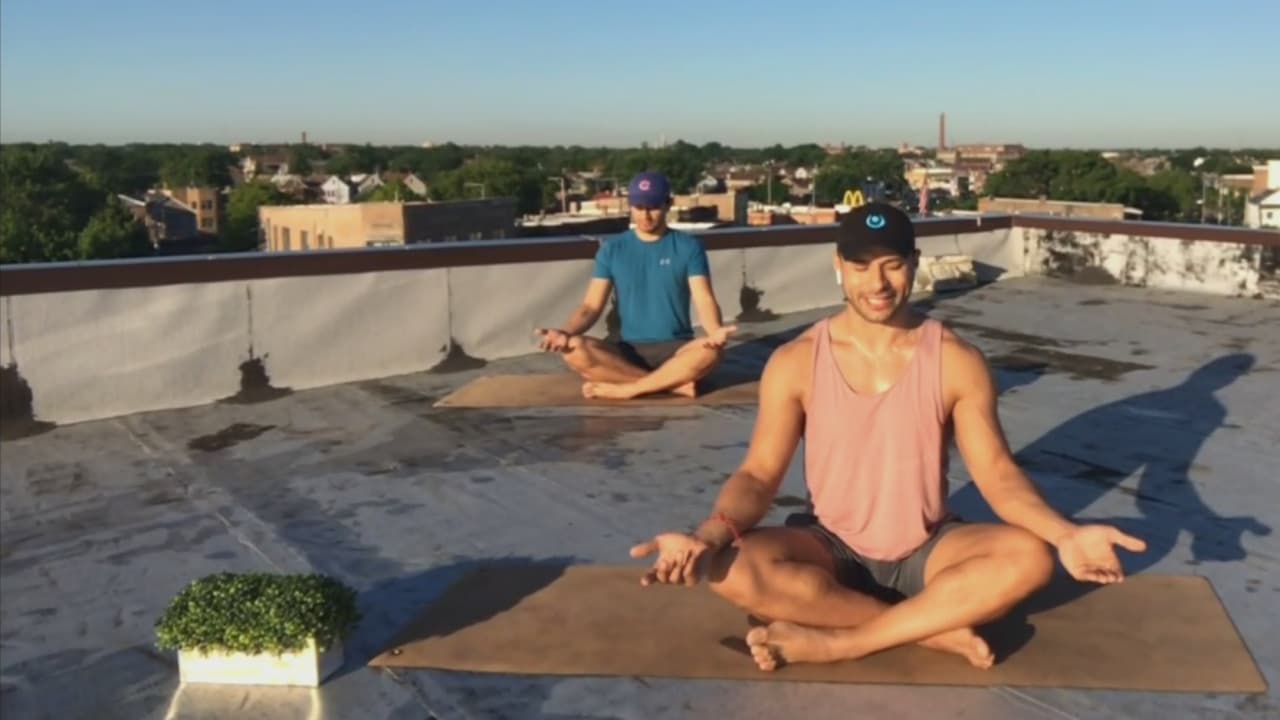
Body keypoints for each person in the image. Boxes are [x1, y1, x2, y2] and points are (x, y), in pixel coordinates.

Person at [629, 202, 1148, 671]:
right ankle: (930, 629)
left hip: (928, 547)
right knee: (730, 569)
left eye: (892, 265)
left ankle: (843, 640)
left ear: (914, 263)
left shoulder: (956, 360)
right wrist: (707, 537)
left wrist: (1065, 535)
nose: (876, 283)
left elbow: (997, 474)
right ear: (838, 266)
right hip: (830, 544)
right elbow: (759, 475)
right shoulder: (795, 362)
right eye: (860, 266)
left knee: (1030, 558)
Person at [535, 171, 736, 399]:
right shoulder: (613, 250)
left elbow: (704, 299)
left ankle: (629, 388)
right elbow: (590, 307)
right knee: (573, 350)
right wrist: (565, 332)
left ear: (668, 204)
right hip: (627, 350)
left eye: (653, 207)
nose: (645, 215)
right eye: (639, 208)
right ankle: (670, 385)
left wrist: (714, 332)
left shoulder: (688, 247)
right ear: (630, 206)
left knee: (710, 353)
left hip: (677, 348)